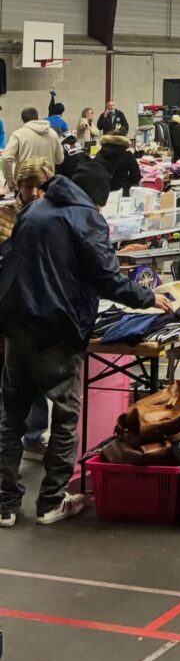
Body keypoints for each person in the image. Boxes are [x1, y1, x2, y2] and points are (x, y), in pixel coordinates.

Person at [0, 166, 171, 527]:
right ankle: (51, 502)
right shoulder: (86, 218)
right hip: (58, 330)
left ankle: (5, 505)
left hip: (17, 324)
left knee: (10, 418)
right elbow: (106, 277)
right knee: (65, 418)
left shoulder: (34, 209)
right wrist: (147, 297)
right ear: (98, 199)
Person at [0, 158, 55, 464]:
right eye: (28, 186)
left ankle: (33, 437)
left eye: (39, 186)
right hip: (8, 313)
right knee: (9, 387)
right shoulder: (4, 218)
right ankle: (8, 451)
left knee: (36, 380)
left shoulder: (55, 217)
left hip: (40, 313)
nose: (33, 192)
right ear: (18, 186)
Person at [2, 108, 63, 188]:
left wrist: (10, 180)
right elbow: (60, 160)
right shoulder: (53, 133)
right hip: (47, 183)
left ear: (23, 120)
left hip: (26, 185)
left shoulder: (18, 134)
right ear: (37, 117)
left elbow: (6, 158)